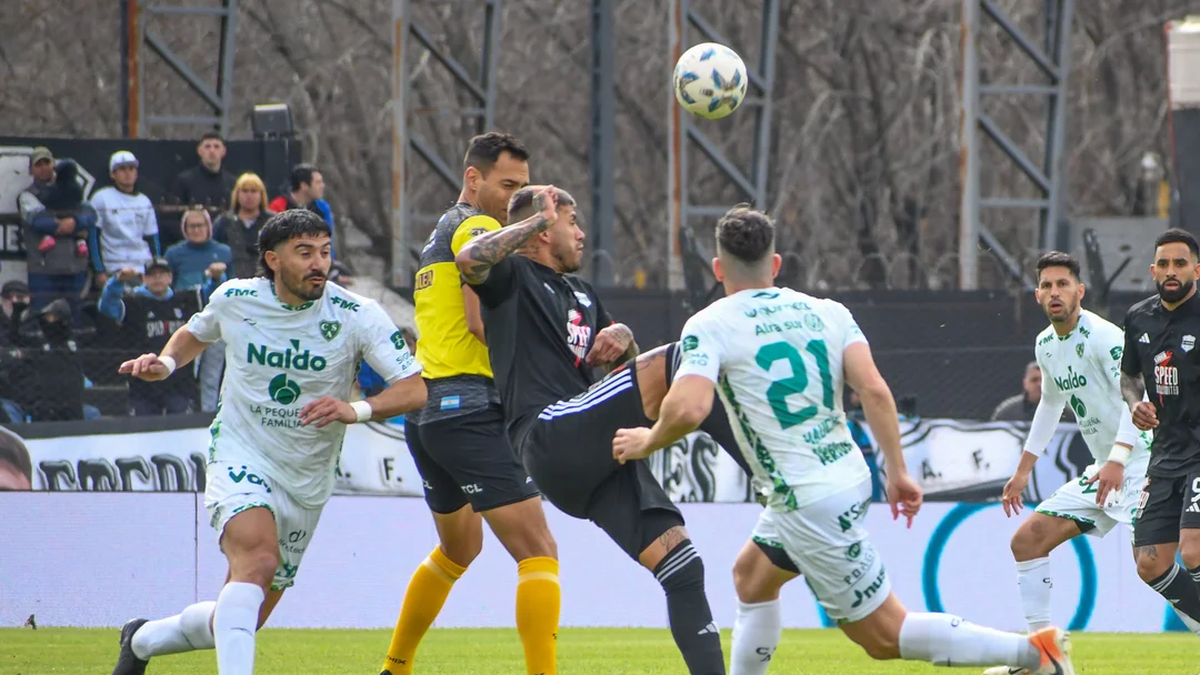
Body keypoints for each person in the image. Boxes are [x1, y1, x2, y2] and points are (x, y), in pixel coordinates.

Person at [609, 205, 1076, 675]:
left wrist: (648, 440)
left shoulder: (709, 324)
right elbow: (873, 389)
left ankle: (1037, 656)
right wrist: (897, 472)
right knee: (751, 578)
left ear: (717, 269)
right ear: (775, 265)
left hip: (806, 500)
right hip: (846, 473)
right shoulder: (828, 312)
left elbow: (689, 407)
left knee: (884, 636)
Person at [108, 209, 427, 675]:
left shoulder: (358, 314)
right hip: (241, 451)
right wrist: (167, 363)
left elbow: (414, 387)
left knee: (239, 618)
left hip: (307, 477)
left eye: (324, 252)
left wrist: (354, 409)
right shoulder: (236, 298)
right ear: (273, 259)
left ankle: (140, 640)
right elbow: (195, 333)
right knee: (257, 560)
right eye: (305, 253)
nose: (319, 263)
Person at [457, 185, 749, 675]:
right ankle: (768, 475)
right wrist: (533, 222)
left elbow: (632, 381)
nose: (581, 233)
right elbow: (469, 261)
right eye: (571, 222)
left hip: (592, 455)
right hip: (548, 432)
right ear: (545, 230)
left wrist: (626, 339)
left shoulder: (583, 294)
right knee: (684, 356)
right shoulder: (513, 278)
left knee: (682, 566)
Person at [378, 132, 558, 675]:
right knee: (539, 550)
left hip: (429, 411)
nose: (514, 198)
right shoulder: (479, 228)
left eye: (522, 187)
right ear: (473, 178)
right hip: (470, 408)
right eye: (507, 184)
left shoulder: (439, 233)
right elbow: (482, 325)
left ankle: (396, 667)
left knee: (459, 550)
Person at [985, 252, 1151, 673]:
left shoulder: (1104, 337)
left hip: (1144, 463)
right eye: (1047, 285)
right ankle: (1045, 657)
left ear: (1079, 291)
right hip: (1105, 468)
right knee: (1027, 540)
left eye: (1063, 284)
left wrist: (1117, 459)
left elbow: (1140, 398)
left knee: (1157, 566)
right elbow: (1050, 405)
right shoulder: (1045, 344)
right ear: (1038, 293)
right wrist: (1023, 471)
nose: (1054, 292)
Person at [1121, 228, 1200, 637]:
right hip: (1165, 454)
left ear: (1197, 270)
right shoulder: (1138, 317)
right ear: (1153, 270)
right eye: (1164, 264)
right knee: (1149, 562)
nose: (1172, 271)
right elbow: (1130, 375)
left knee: (1193, 549)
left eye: (1180, 263)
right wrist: (1136, 402)